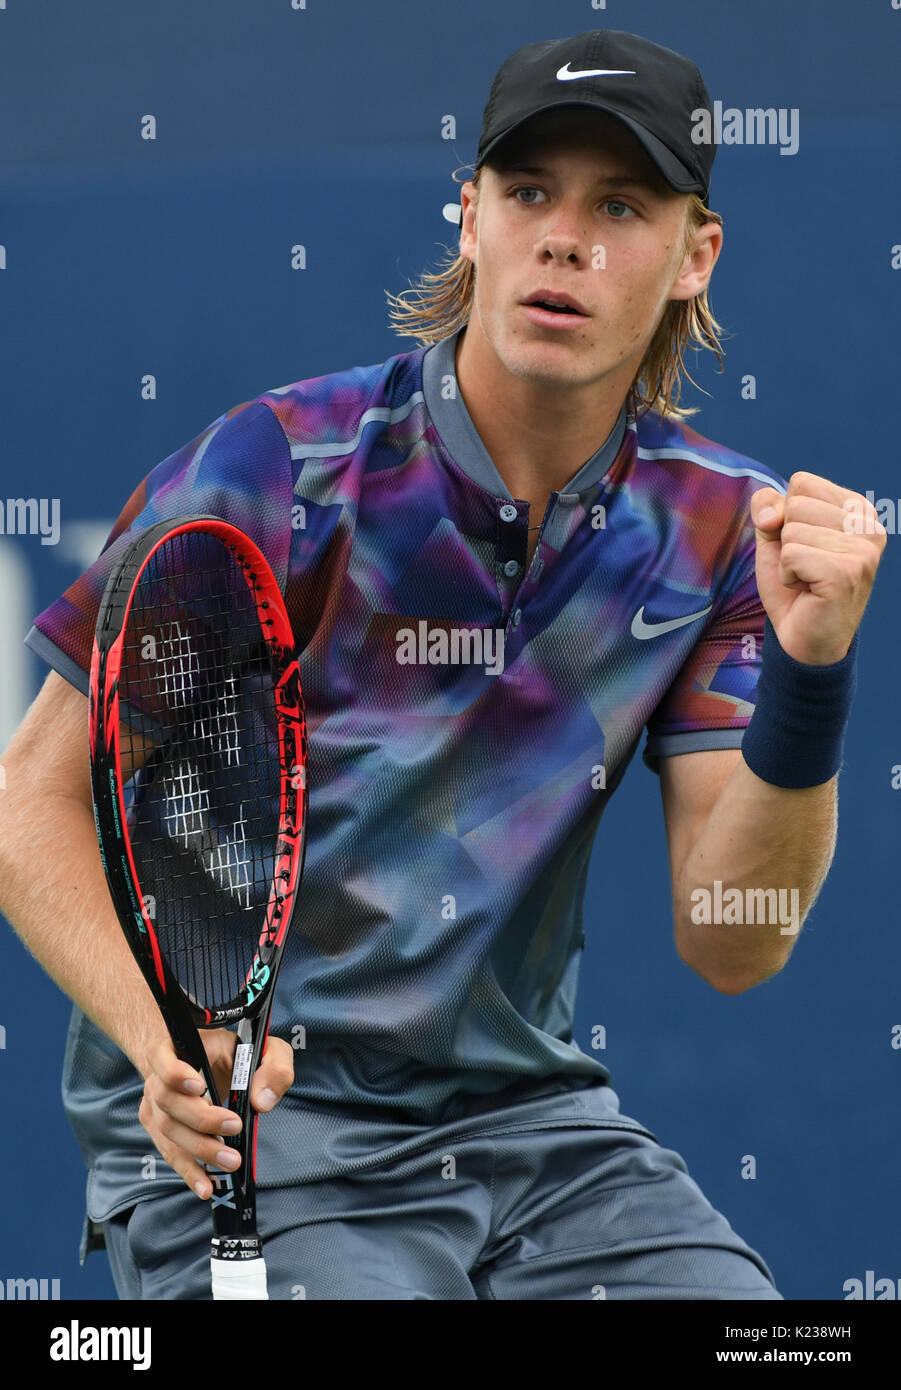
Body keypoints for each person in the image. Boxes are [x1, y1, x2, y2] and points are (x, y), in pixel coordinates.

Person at [0, 28, 883, 1300]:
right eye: (528, 194)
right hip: (258, 1135)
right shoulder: (273, 471)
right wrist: (170, 1042)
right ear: (470, 220)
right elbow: (31, 795)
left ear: (696, 255)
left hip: (532, 1135)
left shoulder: (717, 533)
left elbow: (732, 942)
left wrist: (809, 672)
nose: (563, 239)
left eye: (619, 205)